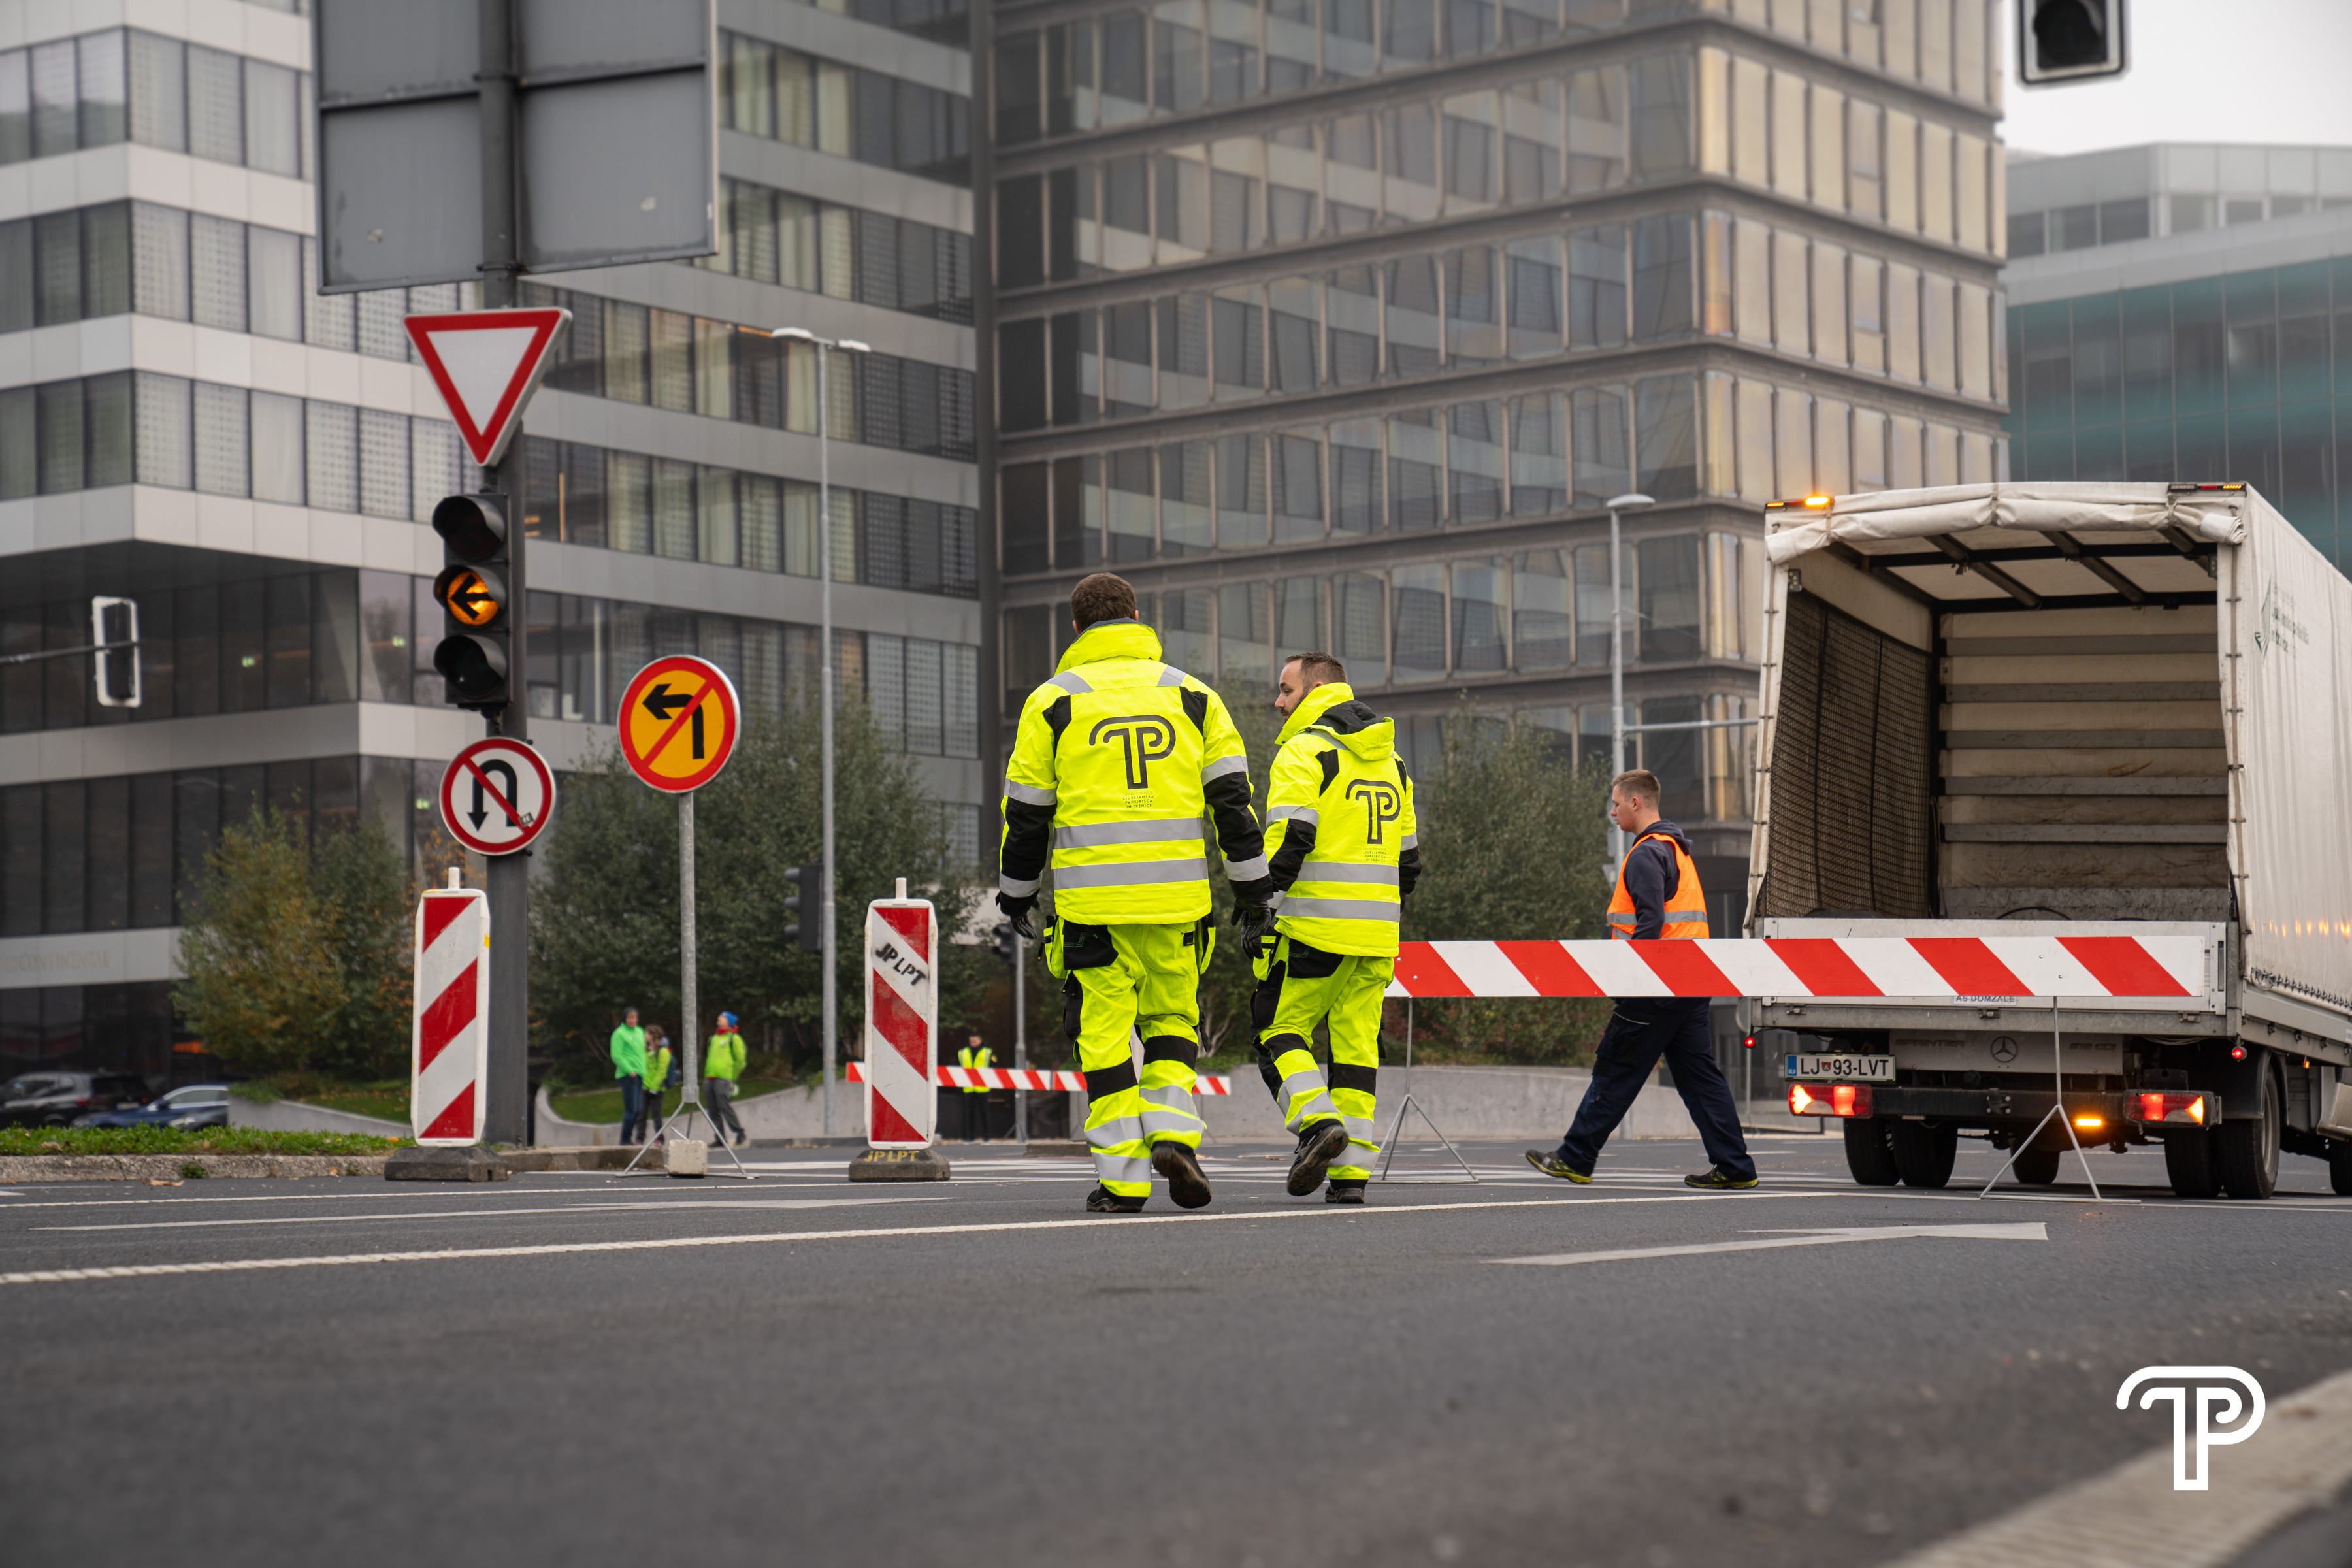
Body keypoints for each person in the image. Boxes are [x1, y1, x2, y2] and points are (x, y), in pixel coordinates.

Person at [997, 572, 1273, 1213]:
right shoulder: (1195, 697)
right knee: (1174, 1026)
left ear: (1076, 628)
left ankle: (1122, 1183)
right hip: (1178, 906)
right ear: (1138, 617)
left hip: (1094, 910)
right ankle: (1176, 1136)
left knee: (1103, 1041)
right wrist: (1253, 889)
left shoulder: (1052, 703)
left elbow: (1027, 815)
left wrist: (1016, 897)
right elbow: (1233, 805)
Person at [1526, 770, 1758, 1190]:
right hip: (1688, 983)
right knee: (1699, 1077)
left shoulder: (1647, 854)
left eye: (1616, 803)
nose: (1611, 811)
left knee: (1616, 1068)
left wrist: (1631, 982)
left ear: (1637, 803)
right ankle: (1736, 1167)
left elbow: (1649, 925)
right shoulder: (1677, 850)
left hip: (1656, 988)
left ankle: (1576, 1157)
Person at [1250, 652, 1418, 1205]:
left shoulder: (1305, 752)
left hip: (1314, 928)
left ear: (1317, 688)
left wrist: (1261, 906)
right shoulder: (1391, 762)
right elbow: (1409, 863)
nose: (1278, 702)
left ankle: (1319, 1124)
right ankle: (1350, 1178)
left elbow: (1290, 840)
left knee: (1278, 1033)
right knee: (1355, 1051)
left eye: (1286, 689)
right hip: (1376, 938)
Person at [705, 1012, 747, 1147]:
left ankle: (739, 1132)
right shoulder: (713, 1038)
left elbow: (741, 1060)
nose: (719, 1018)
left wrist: (732, 1077)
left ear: (729, 1022)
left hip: (724, 1078)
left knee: (724, 1106)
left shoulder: (734, 1039)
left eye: (722, 1017)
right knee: (712, 1110)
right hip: (710, 1076)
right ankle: (720, 1138)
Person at [611, 1008, 648, 1145]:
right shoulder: (619, 1034)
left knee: (638, 1109)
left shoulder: (640, 1031)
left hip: (640, 1074)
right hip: (627, 1075)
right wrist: (630, 1071)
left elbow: (641, 1052)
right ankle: (625, 1139)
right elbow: (616, 1055)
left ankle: (628, 1138)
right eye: (629, 1018)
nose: (632, 1021)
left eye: (634, 1018)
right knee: (631, 1109)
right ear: (625, 1019)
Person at [956, 1031, 994, 1141]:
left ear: (980, 1041)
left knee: (984, 1113)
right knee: (969, 1114)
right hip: (968, 1087)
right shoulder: (963, 1052)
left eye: (975, 1041)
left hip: (983, 1087)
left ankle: (987, 1136)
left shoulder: (988, 1052)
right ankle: (969, 1136)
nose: (972, 1043)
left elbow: (993, 1068)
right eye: (971, 1041)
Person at [642, 1026, 674, 1145]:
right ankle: (640, 1139)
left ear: (653, 1036)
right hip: (645, 1087)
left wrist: (654, 1087)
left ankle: (660, 1138)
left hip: (657, 1089)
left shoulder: (663, 1051)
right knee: (642, 1115)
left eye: (647, 1034)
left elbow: (662, 1071)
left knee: (656, 1114)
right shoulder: (646, 1050)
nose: (645, 1036)